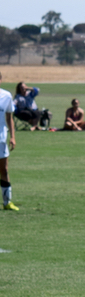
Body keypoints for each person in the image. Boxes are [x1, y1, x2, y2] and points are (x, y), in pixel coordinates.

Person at [0, 71, 17, 211]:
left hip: (1, 139)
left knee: (4, 170)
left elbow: (9, 118)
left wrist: (12, 136)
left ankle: (7, 202)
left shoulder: (6, 96)